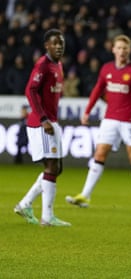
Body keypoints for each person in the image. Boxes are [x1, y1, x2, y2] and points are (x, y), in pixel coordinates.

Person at [65, 34, 131, 210]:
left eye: (125, 48)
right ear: (113, 49)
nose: (122, 51)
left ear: (129, 51)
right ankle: (85, 196)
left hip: (130, 120)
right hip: (109, 118)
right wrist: (87, 111)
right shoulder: (106, 69)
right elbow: (97, 91)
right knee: (99, 154)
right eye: (119, 48)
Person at [14, 28, 71, 227]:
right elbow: (30, 90)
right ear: (46, 45)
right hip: (41, 123)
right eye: (54, 43)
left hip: (51, 121)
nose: (58, 46)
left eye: (61, 43)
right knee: (51, 167)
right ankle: (47, 217)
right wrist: (44, 118)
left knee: (57, 168)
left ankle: (25, 204)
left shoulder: (58, 65)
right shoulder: (43, 65)